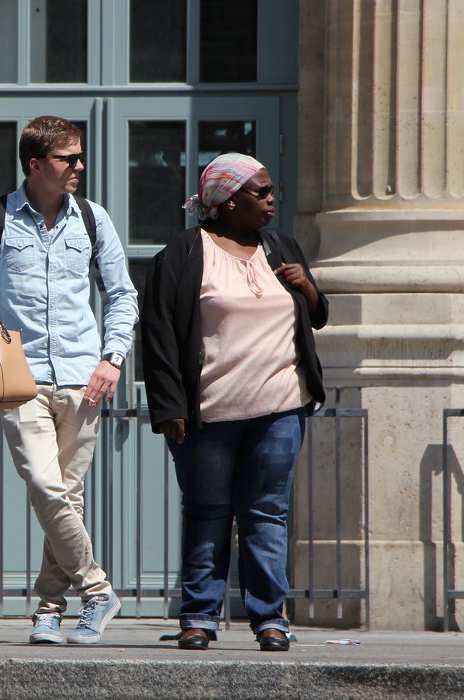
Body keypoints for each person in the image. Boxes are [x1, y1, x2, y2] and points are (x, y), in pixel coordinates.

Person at [140, 152, 328, 652]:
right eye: (260, 192)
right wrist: (170, 408)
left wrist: (308, 289)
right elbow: (157, 337)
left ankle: (270, 620)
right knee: (207, 512)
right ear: (225, 202)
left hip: (281, 407)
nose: (271, 199)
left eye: (270, 190)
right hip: (209, 414)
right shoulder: (182, 254)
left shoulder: (280, 246)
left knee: (266, 514)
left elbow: (317, 315)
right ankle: (199, 617)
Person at [0, 115, 138, 645]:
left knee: (66, 495)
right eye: (70, 159)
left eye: (79, 156)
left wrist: (112, 359)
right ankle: (97, 589)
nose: (80, 167)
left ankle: (47, 608)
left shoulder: (92, 218)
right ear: (36, 164)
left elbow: (122, 293)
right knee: (45, 485)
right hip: (19, 376)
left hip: (84, 377)